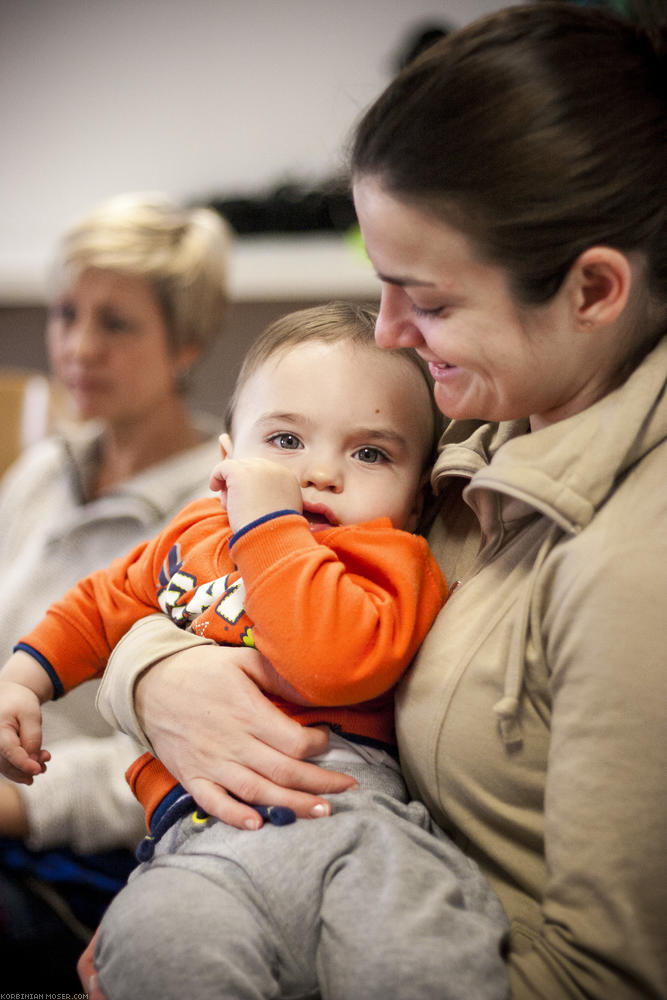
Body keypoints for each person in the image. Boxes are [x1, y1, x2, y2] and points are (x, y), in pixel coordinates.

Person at [80, 4, 667, 999]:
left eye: (429, 301)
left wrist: (263, 958)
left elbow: (601, 976)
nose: (390, 332)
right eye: (380, 280)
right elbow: (190, 569)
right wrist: (151, 676)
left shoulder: (631, 568)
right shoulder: (483, 425)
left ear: (592, 289)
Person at [0, 301, 510, 1000]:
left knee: (418, 960)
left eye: (369, 453)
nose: (319, 474)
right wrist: (22, 681)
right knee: (156, 945)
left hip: (353, 822)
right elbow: (96, 606)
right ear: (226, 459)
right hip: (200, 837)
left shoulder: (388, 559)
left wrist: (269, 524)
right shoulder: (194, 533)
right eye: (284, 441)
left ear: (417, 501)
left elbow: (325, 661)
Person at [0, 191, 232, 989]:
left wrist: (21, 805)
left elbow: (188, 752)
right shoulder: (43, 470)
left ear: (187, 342)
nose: (78, 347)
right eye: (67, 314)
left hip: (91, 860)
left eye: (117, 323)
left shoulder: (217, 509)